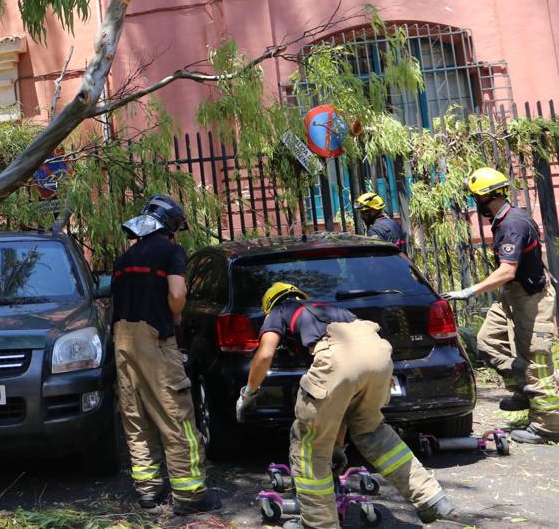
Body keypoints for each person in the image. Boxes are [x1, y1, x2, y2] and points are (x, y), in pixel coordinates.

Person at [237, 282, 454, 529]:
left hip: (338, 358)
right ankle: (430, 497)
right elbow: (338, 407)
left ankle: (319, 524)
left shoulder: (280, 310)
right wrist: (336, 450)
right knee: (372, 430)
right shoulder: (330, 309)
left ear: (270, 304)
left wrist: (248, 392)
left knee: (309, 446)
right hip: (379, 356)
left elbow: (264, 355)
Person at [111, 195, 221, 515]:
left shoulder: (123, 259)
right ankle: (189, 495)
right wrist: (175, 317)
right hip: (155, 341)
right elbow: (176, 293)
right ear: (171, 226)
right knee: (177, 417)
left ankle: (148, 491)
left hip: (122, 341)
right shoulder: (171, 252)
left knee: (136, 418)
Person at [444, 167, 559, 443]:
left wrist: (469, 290)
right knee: (488, 342)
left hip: (532, 299)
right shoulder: (503, 219)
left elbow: (507, 270)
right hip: (513, 295)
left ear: (485, 197)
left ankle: (548, 426)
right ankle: (523, 390)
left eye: (475, 198)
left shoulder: (512, 224)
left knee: (537, 361)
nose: (474, 203)